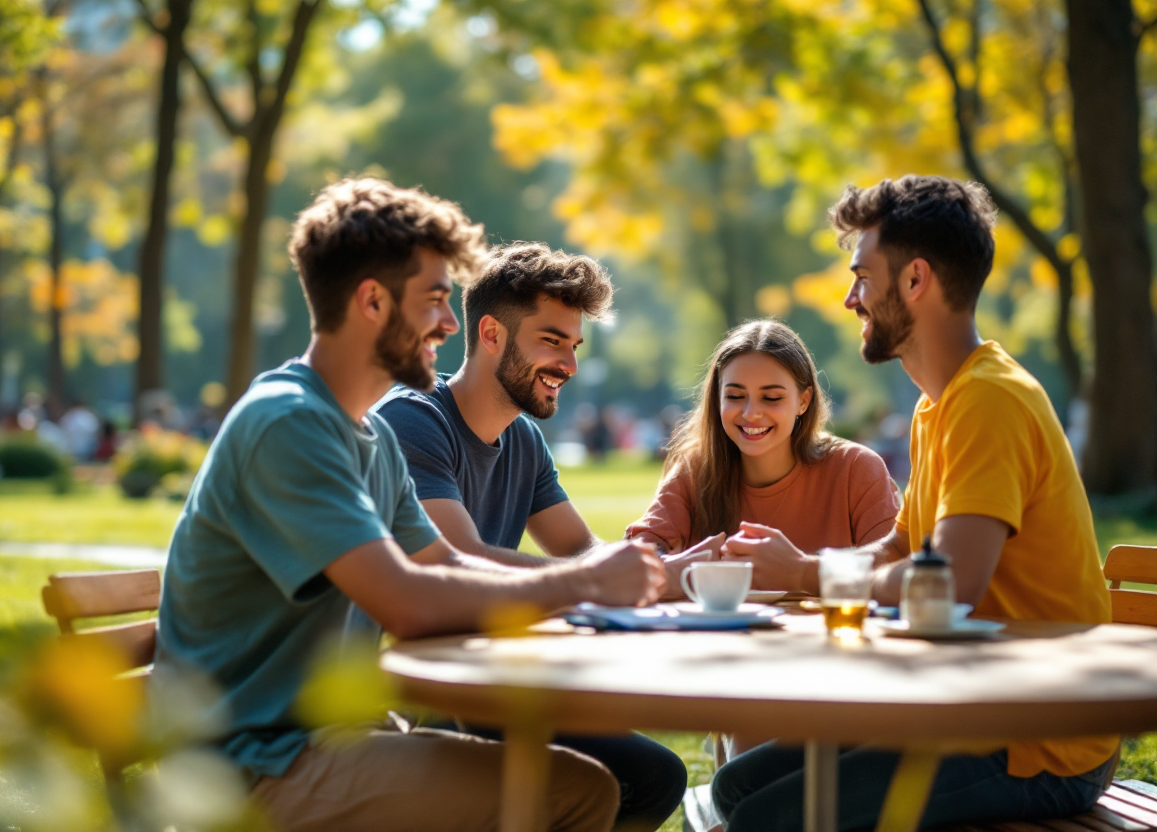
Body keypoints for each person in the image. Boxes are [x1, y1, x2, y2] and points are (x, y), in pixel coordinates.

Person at [154, 178, 666, 832]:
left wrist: (603, 578)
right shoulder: (289, 422)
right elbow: (408, 601)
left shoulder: (362, 430)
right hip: (250, 766)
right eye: (434, 301)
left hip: (330, 736)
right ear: (372, 300)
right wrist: (584, 581)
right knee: (575, 791)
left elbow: (443, 559)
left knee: (587, 781)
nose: (450, 324)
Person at [711, 175, 1116, 832]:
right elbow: (901, 549)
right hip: (968, 709)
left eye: (862, 277)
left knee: (768, 817)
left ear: (915, 280)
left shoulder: (990, 400)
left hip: (1036, 738)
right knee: (737, 787)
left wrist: (806, 575)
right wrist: (792, 564)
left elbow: (949, 581)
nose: (850, 299)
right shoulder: (941, 404)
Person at [378, 242, 688, 830]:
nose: (569, 364)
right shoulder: (414, 419)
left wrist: (661, 568)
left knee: (657, 776)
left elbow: (579, 548)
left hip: (493, 685)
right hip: (426, 696)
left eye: (574, 345)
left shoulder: (523, 439)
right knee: (620, 782)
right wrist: (594, 579)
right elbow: (457, 558)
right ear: (491, 333)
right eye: (552, 340)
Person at [626, 318, 899, 756]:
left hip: (846, 677)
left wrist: (798, 570)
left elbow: (894, 573)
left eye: (771, 398)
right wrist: (685, 565)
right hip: (743, 674)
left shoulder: (855, 469)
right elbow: (637, 558)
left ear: (804, 400)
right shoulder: (696, 470)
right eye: (734, 397)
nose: (751, 413)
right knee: (753, 759)